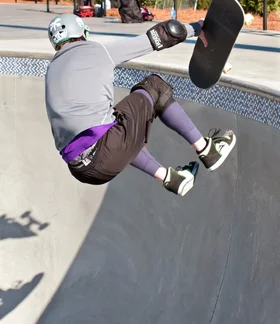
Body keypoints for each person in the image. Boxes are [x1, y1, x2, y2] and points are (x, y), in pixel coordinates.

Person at [45, 15, 236, 196]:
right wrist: (195, 28)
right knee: (154, 86)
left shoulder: (52, 70)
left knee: (118, 126)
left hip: (81, 169)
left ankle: (172, 179)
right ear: (82, 33)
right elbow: (160, 36)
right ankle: (207, 151)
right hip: (106, 150)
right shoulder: (95, 51)